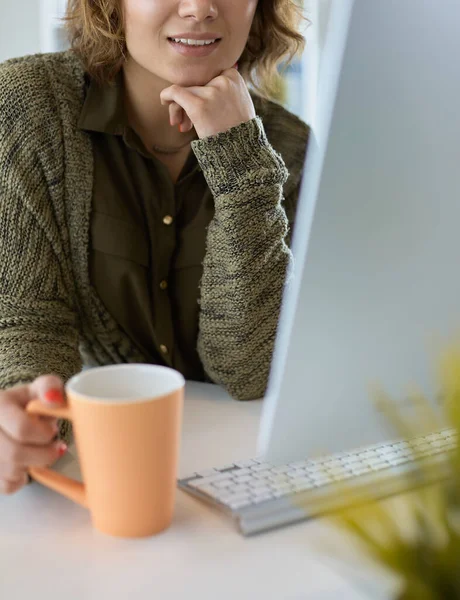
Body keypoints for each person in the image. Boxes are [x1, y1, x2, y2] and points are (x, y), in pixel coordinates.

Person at [0, 0, 310, 495]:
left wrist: (239, 166)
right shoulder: (27, 109)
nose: (200, 8)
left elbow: (247, 374)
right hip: (103, 469)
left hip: (242, 476)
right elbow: (27, 327)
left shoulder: (290, 150)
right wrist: (29, 417)